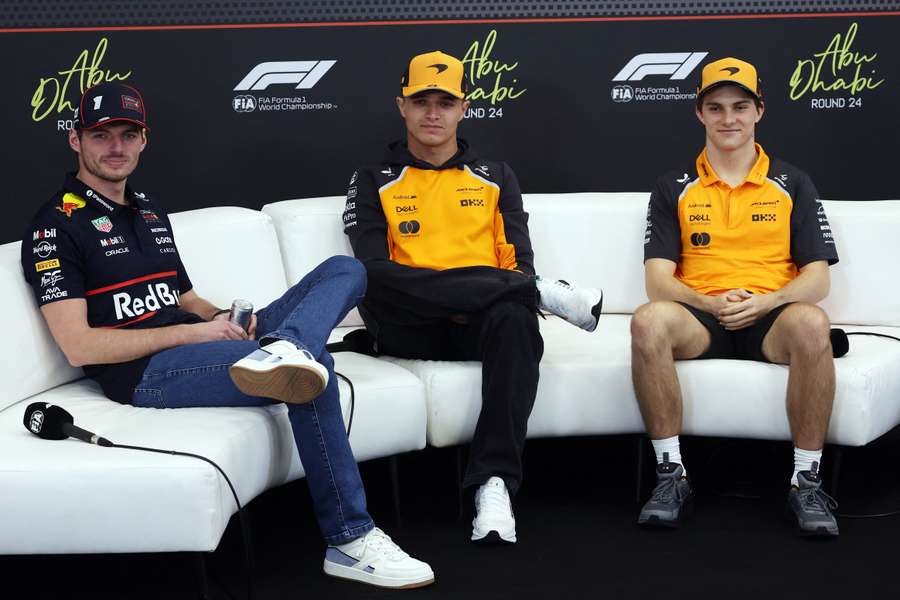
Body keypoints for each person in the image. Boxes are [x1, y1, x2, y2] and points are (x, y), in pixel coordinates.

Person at [21, 81, 434, 588]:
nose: (116, 147)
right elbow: (79, 345)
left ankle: (286, 346)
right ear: (76, 139)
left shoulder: (147, 210)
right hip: (144, 373)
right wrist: (193, 336)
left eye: (128, 135)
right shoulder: (55, 225)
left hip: (203, 341)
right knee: (312, 373)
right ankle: (350, 539)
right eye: (101, 135)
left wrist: (221, 317)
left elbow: (185, 298)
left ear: (144, 140)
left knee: (346, 270)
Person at [342, 51, 603, 545]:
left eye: (445, 102)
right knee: (373, 276)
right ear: (401, 106)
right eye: (421, 101)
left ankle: (494, 483)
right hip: (407, 324)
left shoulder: (496, 175)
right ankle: (542, 295)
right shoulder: (372, 178)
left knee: (516, 317)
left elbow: (518, 262)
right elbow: (374, 271)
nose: (433, 113)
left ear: (464, 108)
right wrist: (506, 289)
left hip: (480, 325)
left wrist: (497, 292)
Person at [633, 58, 840, 536]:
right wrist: (711, 303)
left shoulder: (792, 182)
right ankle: (670, 476)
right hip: (701, 316)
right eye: (716, 107)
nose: (729, 118)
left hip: (770, 315)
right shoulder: (673, 186)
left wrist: (767, 302)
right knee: (648, 320)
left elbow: (817, 279)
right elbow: (657, 280)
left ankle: (806, 482)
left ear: (759, 111)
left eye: (740, 106)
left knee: (813, 322)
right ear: (699, 113)